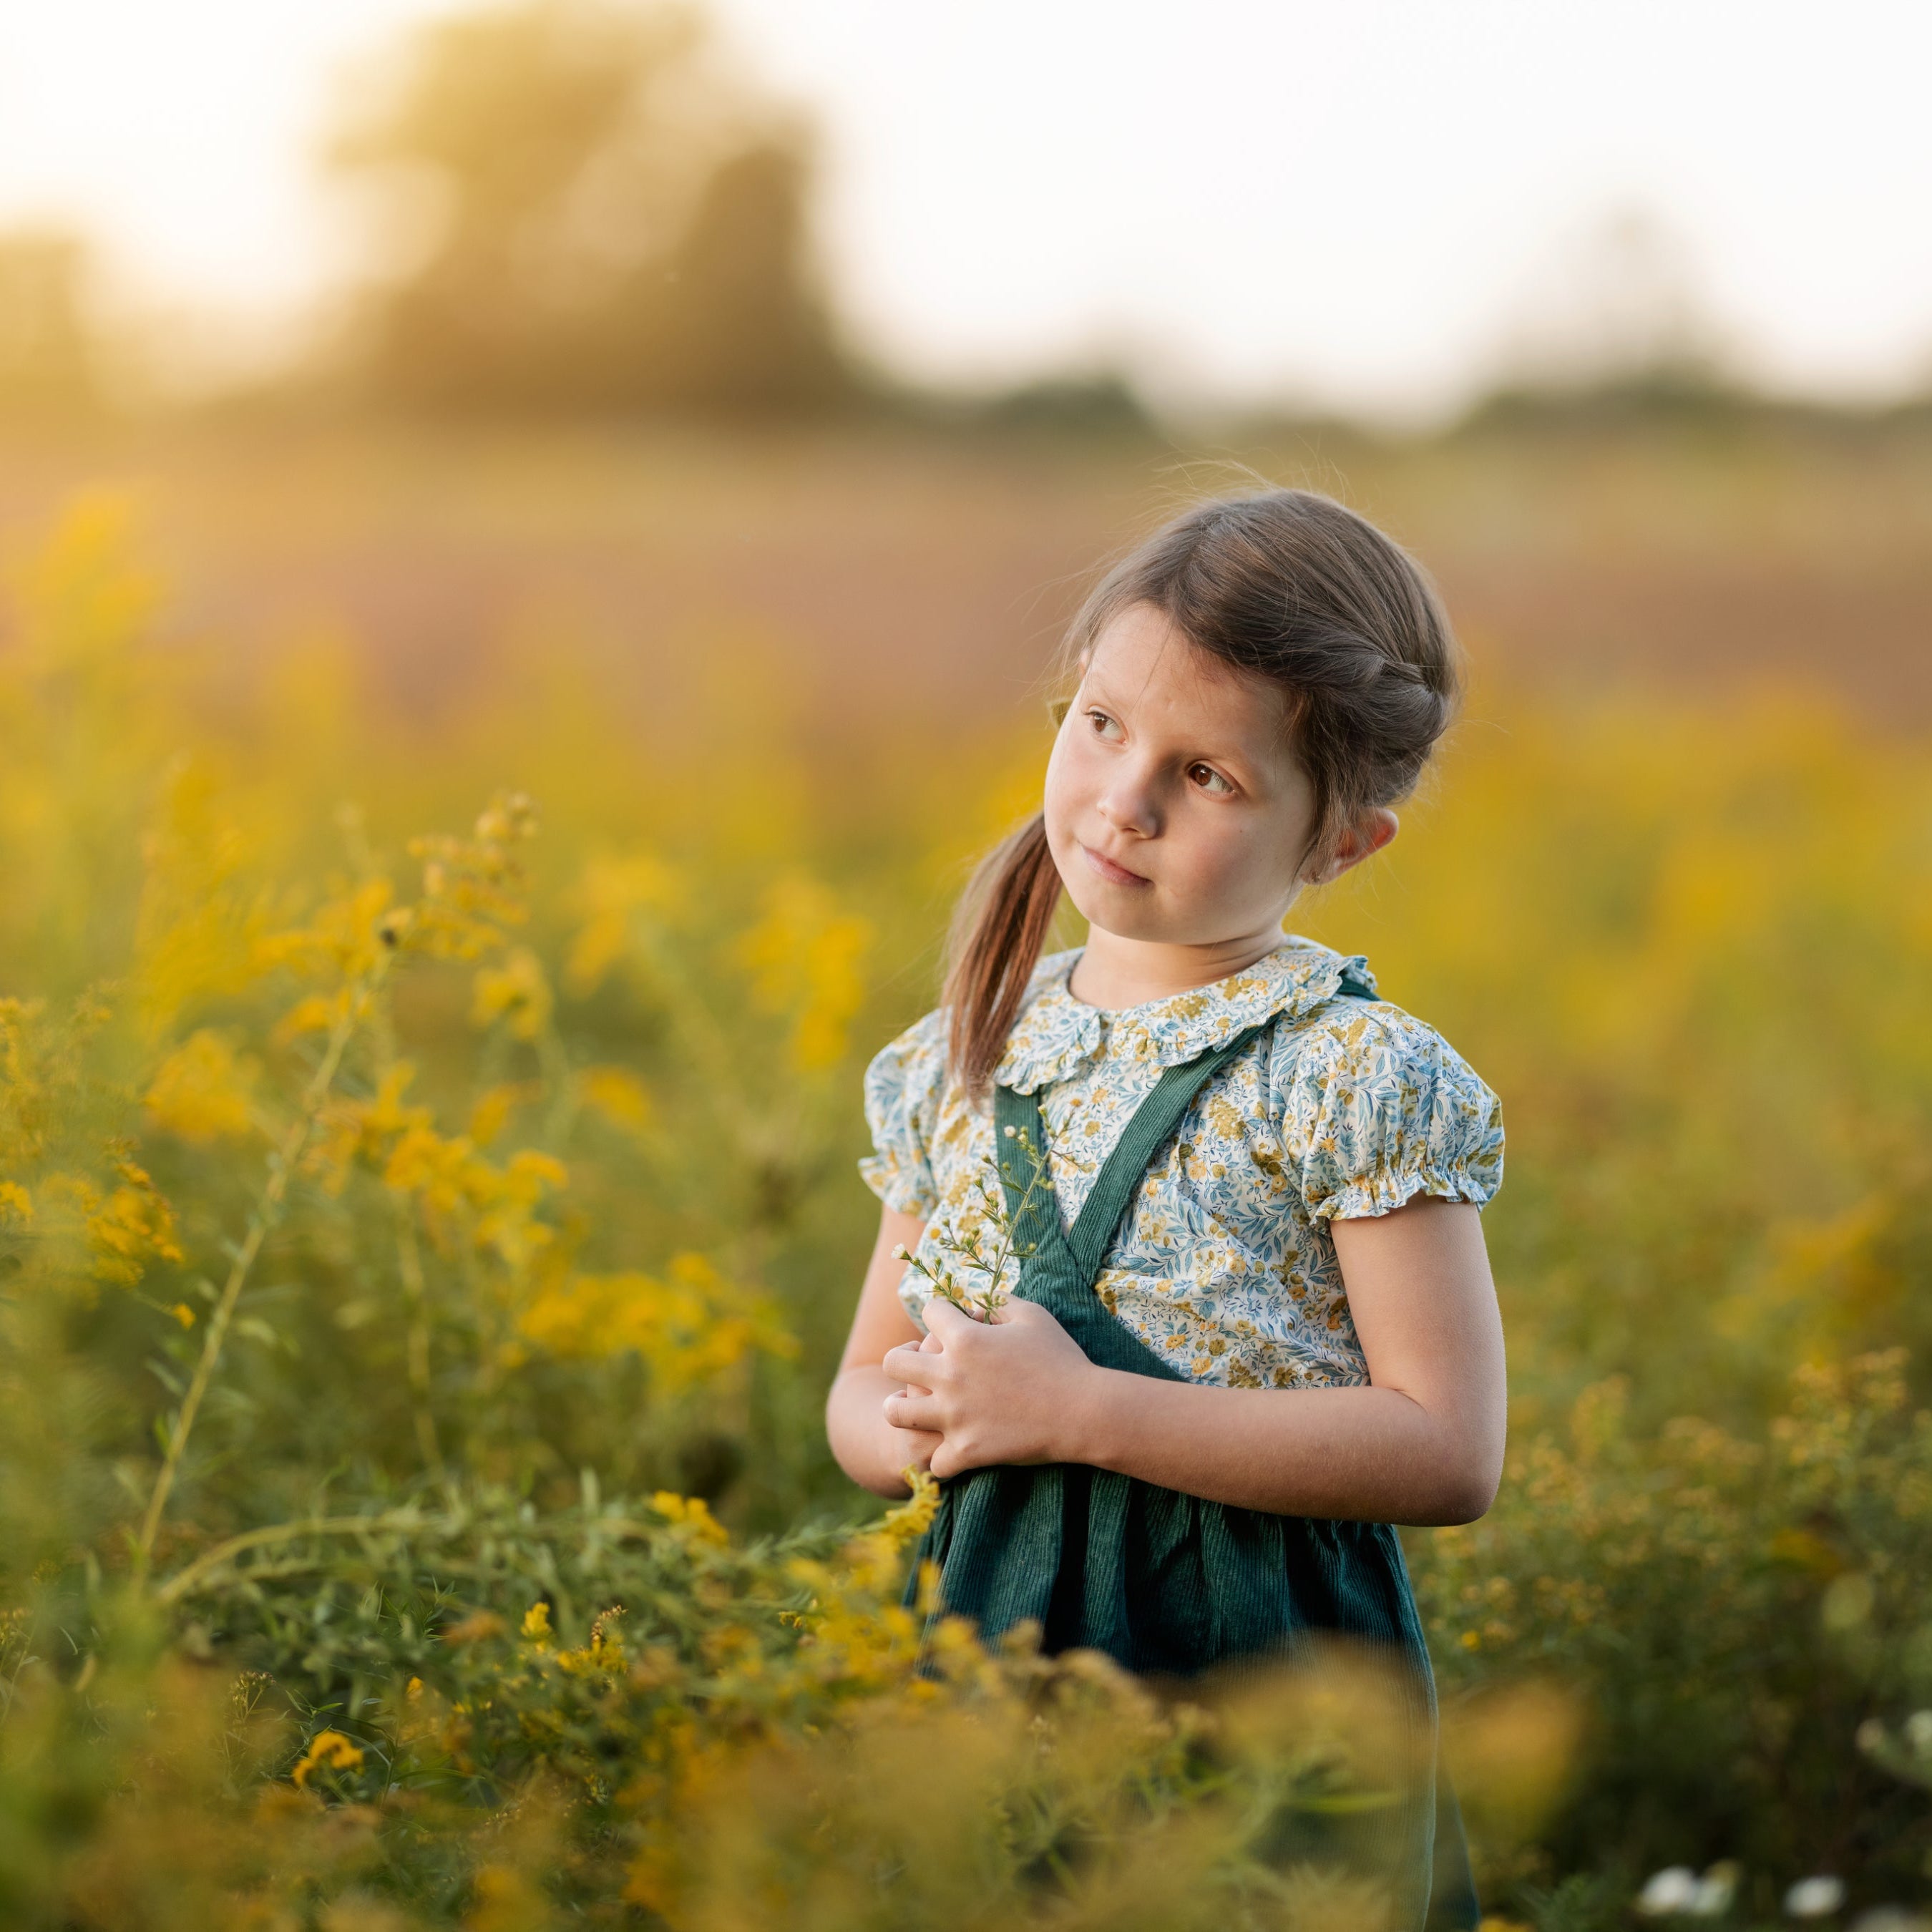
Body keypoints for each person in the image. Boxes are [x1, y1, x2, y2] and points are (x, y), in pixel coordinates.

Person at [824, 487, 1506, 1930]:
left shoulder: (1350, 1074)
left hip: (1261, 1688)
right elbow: (858, 1400)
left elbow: (1445, 1451)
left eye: (1210, 776)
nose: (1124, 799)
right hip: (991, 1654)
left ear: (1342, 845)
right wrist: (944, 1414)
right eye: (1102, 724)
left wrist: (1079, 1415)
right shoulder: (960, 1056)